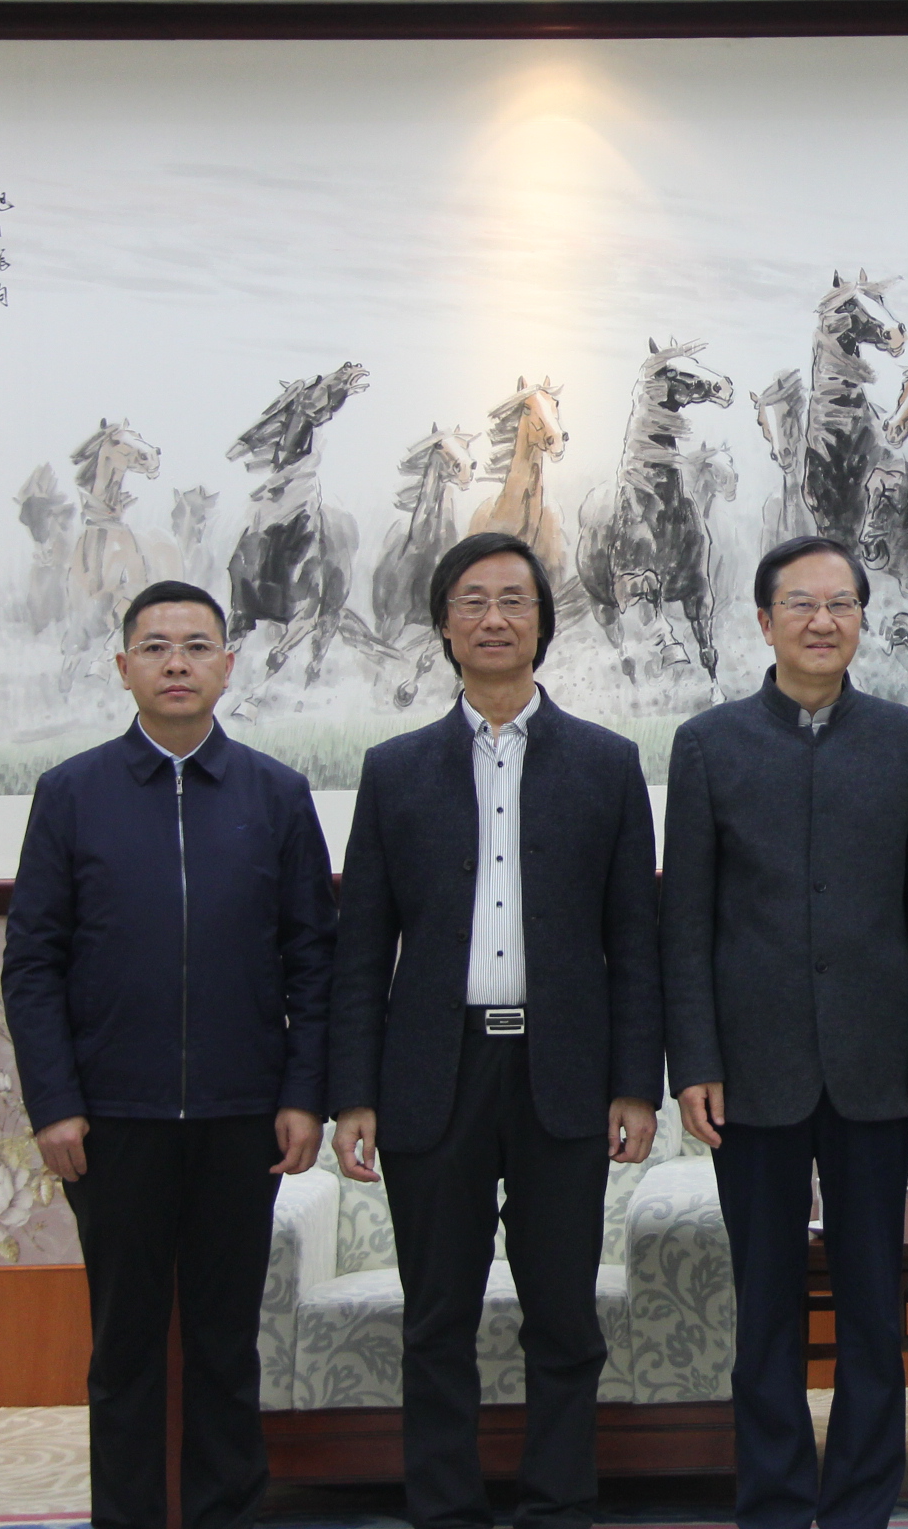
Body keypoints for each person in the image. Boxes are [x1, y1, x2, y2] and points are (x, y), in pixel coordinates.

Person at [327, 531, 663, 1529]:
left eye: (515, 600)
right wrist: (354, 1094)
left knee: (564, 1319)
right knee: (437, 1319)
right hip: (435, 1074)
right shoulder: (395, 771)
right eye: (472, 601)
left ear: (543, 624)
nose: (494, 618)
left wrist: (634, 1084)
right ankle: (445, 1510)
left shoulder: (607, 764)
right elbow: (361, 950)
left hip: (564, 1073)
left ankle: (559, 1506)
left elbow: (634, 941)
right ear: (444, 624)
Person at [3, 579, 335, 1529]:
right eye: (155, 648)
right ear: (123, 668)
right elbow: (33, 964)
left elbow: (314, 958)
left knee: (227, 1346)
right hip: (114, 1121)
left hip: (242, 1116)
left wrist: (303, 1093)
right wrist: (54, 1102)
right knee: (125, 1348)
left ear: (228, 666)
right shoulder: (72, 794)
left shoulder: (276, 794)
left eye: (196, 647)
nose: (176, 664)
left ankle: (228, 1513)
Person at [661, 535, 908, 1529]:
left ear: (862, 619)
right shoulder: (708, 745)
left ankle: (865, 1504)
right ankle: (778, 1504)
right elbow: (685, 923)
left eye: (841, 604)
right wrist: (695, 1060)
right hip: (752, 1072)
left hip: (876, 1065)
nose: (822, 621)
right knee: (767, 1311)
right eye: (801, 604)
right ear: (764, 621)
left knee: (875, 1309)